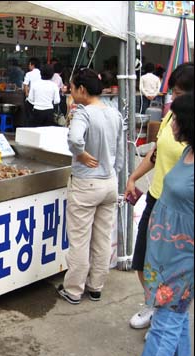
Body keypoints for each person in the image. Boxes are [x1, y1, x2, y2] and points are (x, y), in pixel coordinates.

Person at [125, 62, 194, 331]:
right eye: (172, 93)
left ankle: (168, 319)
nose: (172, 99)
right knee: (142, 261)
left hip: (182, 211)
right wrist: (133, 177)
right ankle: (155, 305)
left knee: (175, 272)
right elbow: (155, 154)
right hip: (156, 200)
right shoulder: (170, 117)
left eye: (178, 93)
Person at [136, 92, 194, 356]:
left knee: (164, 325)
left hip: (184, 259)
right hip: (166, 253)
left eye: (176, 120)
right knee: (176, 315)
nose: (170, 125)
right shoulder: (187, 152)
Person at [57, 68, 124, 305]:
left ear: (82, 90)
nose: (71, 92)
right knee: (102, 238)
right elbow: (121, 154)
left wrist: (81, 154)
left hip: (86, 183)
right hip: (109, 183)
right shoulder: (114, 113)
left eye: (72, 88)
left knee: (80, 240)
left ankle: (74, 289)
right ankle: (96, 287)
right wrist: (111, 173)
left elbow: (74, 139)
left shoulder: (83, 113)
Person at [23, 57, 41, 126]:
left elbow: (25, 85)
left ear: (33, 65)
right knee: (36, 118)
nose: (28, 66)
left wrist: (27, 94)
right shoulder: (41, 73)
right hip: (39, 99)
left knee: (29, 118)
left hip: (30, 99)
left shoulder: (29, 74)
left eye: (29, 64)